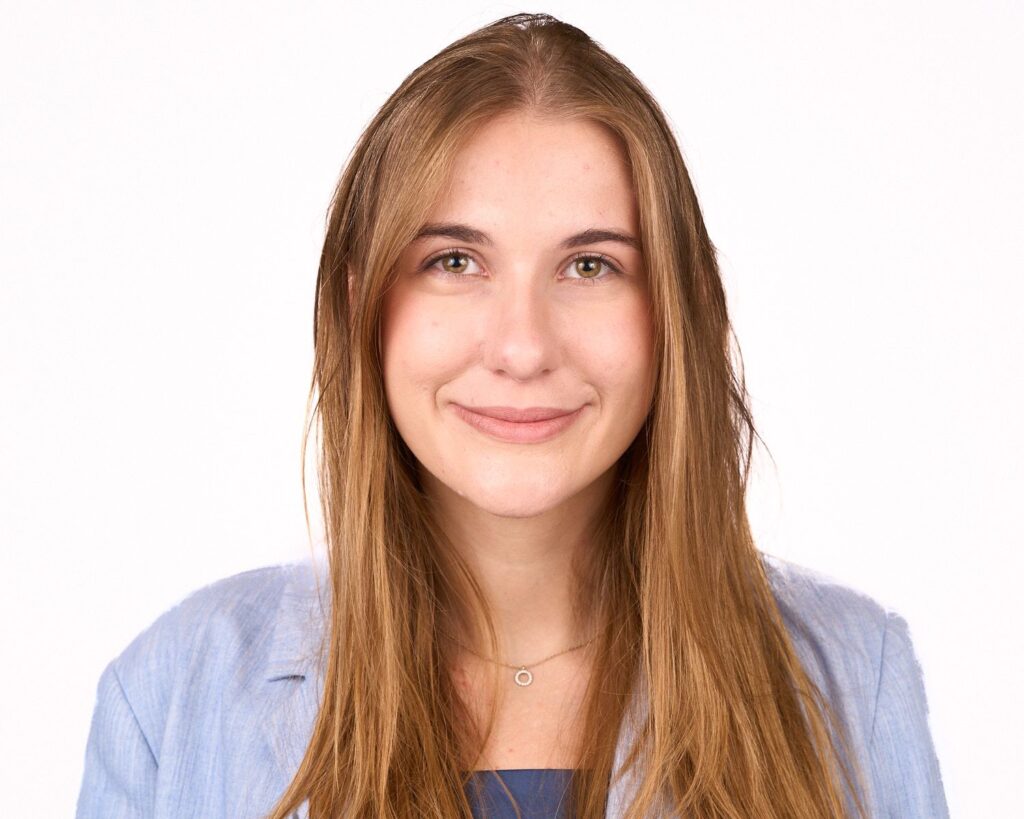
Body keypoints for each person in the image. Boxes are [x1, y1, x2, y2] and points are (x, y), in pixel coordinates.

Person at [75, 12, 949, 819]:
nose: (523, 346)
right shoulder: (173, 691)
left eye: (590, 266)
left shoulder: (854, 683)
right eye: (455, 260)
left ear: (677, 313)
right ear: (359, 311)